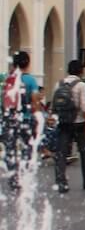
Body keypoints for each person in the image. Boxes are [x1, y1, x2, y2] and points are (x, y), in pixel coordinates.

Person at [52, 60, 85, 193]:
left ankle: (61, 182)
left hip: (63, 123)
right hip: (78, 123)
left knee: (61, 153)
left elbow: (54, 104)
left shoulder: (59, 84)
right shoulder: (81, 85)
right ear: (81, 71)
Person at [3, 51, 42, 188]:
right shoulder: (30, 80)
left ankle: (13, 176)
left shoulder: (9, 79)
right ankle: (24, 175)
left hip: (11, 119)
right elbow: (35, 101)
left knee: (10, 148)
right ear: (27, 63)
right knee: (27, 147)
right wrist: (37, 118)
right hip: (26, 119)